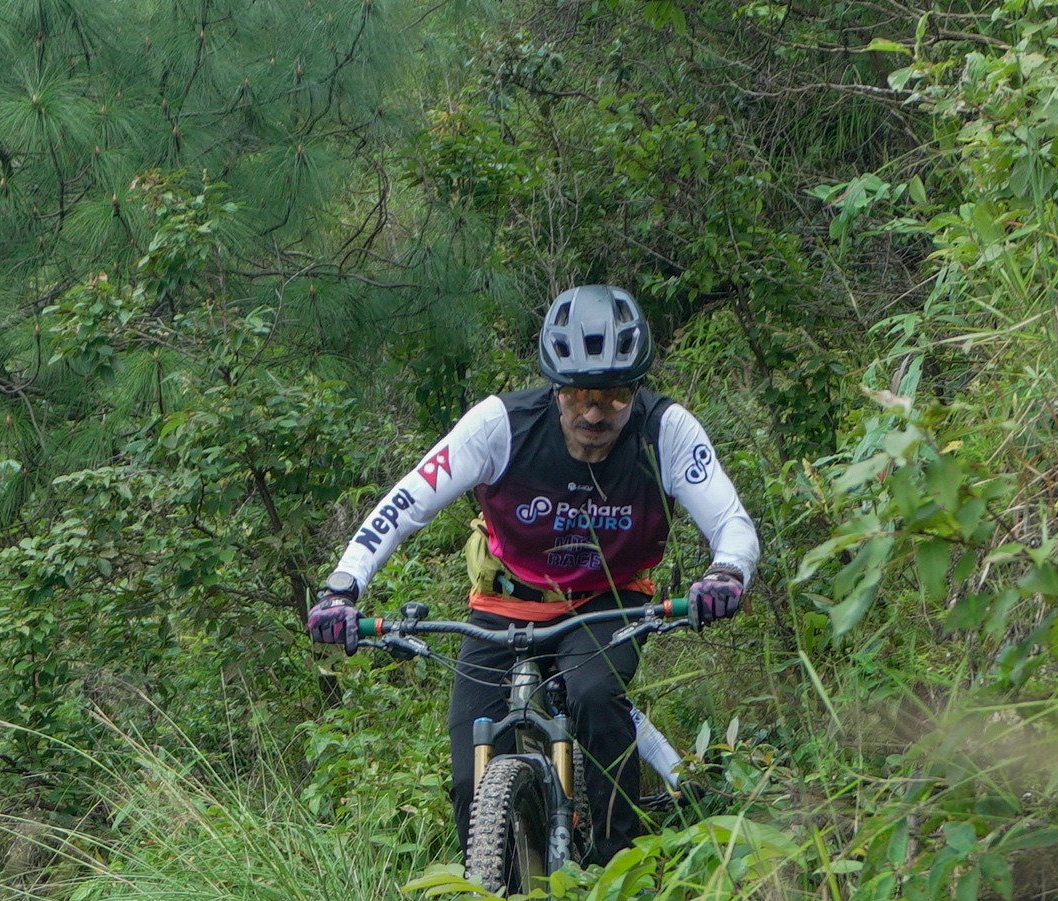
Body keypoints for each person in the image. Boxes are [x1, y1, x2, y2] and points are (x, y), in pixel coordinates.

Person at [307, 284, 757, 864]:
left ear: (637, 388)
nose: (594, 413)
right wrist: (343, 586)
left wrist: (726, 573)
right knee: (473, 770)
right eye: (577, 397)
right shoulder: (500, 425)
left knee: (596, 701)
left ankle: (618, 872)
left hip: (605, 604)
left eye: (616, 396)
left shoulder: (664, 431)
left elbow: (732, 522)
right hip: (505, 602)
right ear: (555, 387)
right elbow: (405, 503)